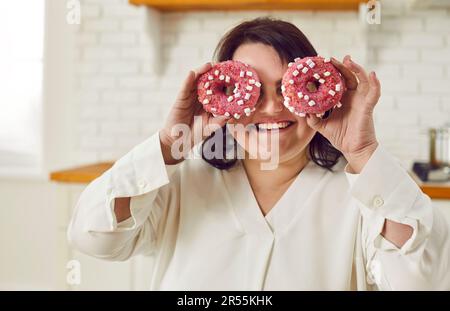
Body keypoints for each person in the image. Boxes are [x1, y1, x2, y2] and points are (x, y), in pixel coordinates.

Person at [68, 17, 450, 290]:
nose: (270, 108)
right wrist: (169, 145)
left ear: (319, 94)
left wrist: (364, 152)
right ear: (219, 100)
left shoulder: (366, 195)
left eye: (288, 88)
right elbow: (95, 239)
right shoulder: (178, 183)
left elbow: (417, 281)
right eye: (251, 91)